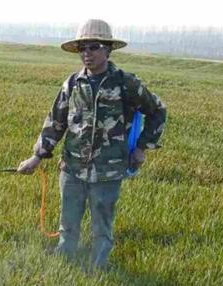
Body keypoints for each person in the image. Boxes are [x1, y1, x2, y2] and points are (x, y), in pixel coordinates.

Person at [17, 19, 167, 268]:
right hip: (72, 168)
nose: (87, 54)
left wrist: (142, 148)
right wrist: (37, 157)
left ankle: (99, 267)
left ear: (108, 49)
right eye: (82, 48)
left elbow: (158, 111)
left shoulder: (125, 83)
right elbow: (56, 121)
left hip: (108, 171)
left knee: (102, 225)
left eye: (94, 47)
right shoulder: (73, 83)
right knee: (68, 222)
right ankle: (65, 262)